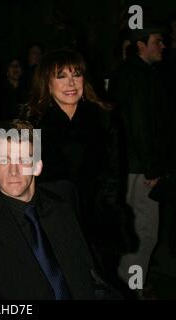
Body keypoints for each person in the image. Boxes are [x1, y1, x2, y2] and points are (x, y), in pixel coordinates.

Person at [0, 119, 119, 300]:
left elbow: (92, 280)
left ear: (37, 165)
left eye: (23, 160)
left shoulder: (63, 209)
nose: (13, 171)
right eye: (4, 161)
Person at [22, 49, 128, 286]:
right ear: (47, 83)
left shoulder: (104, 120)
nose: (70, 83)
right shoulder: (32, 124)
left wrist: (110, 220)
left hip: (96, 225)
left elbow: (113, 177)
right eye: (61, 76)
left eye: (76, 74)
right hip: (49, 224)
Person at [108, 23, 167, 297]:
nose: (163, 46)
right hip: (137, 167)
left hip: (130, 165)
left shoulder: (132, 74)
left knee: (135, 230)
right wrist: (151, 165)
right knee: (144, 231)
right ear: (141, 45)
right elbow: (141, 124)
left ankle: (130, 285)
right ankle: (131, 288)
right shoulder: (137, 76)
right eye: (157, 41)